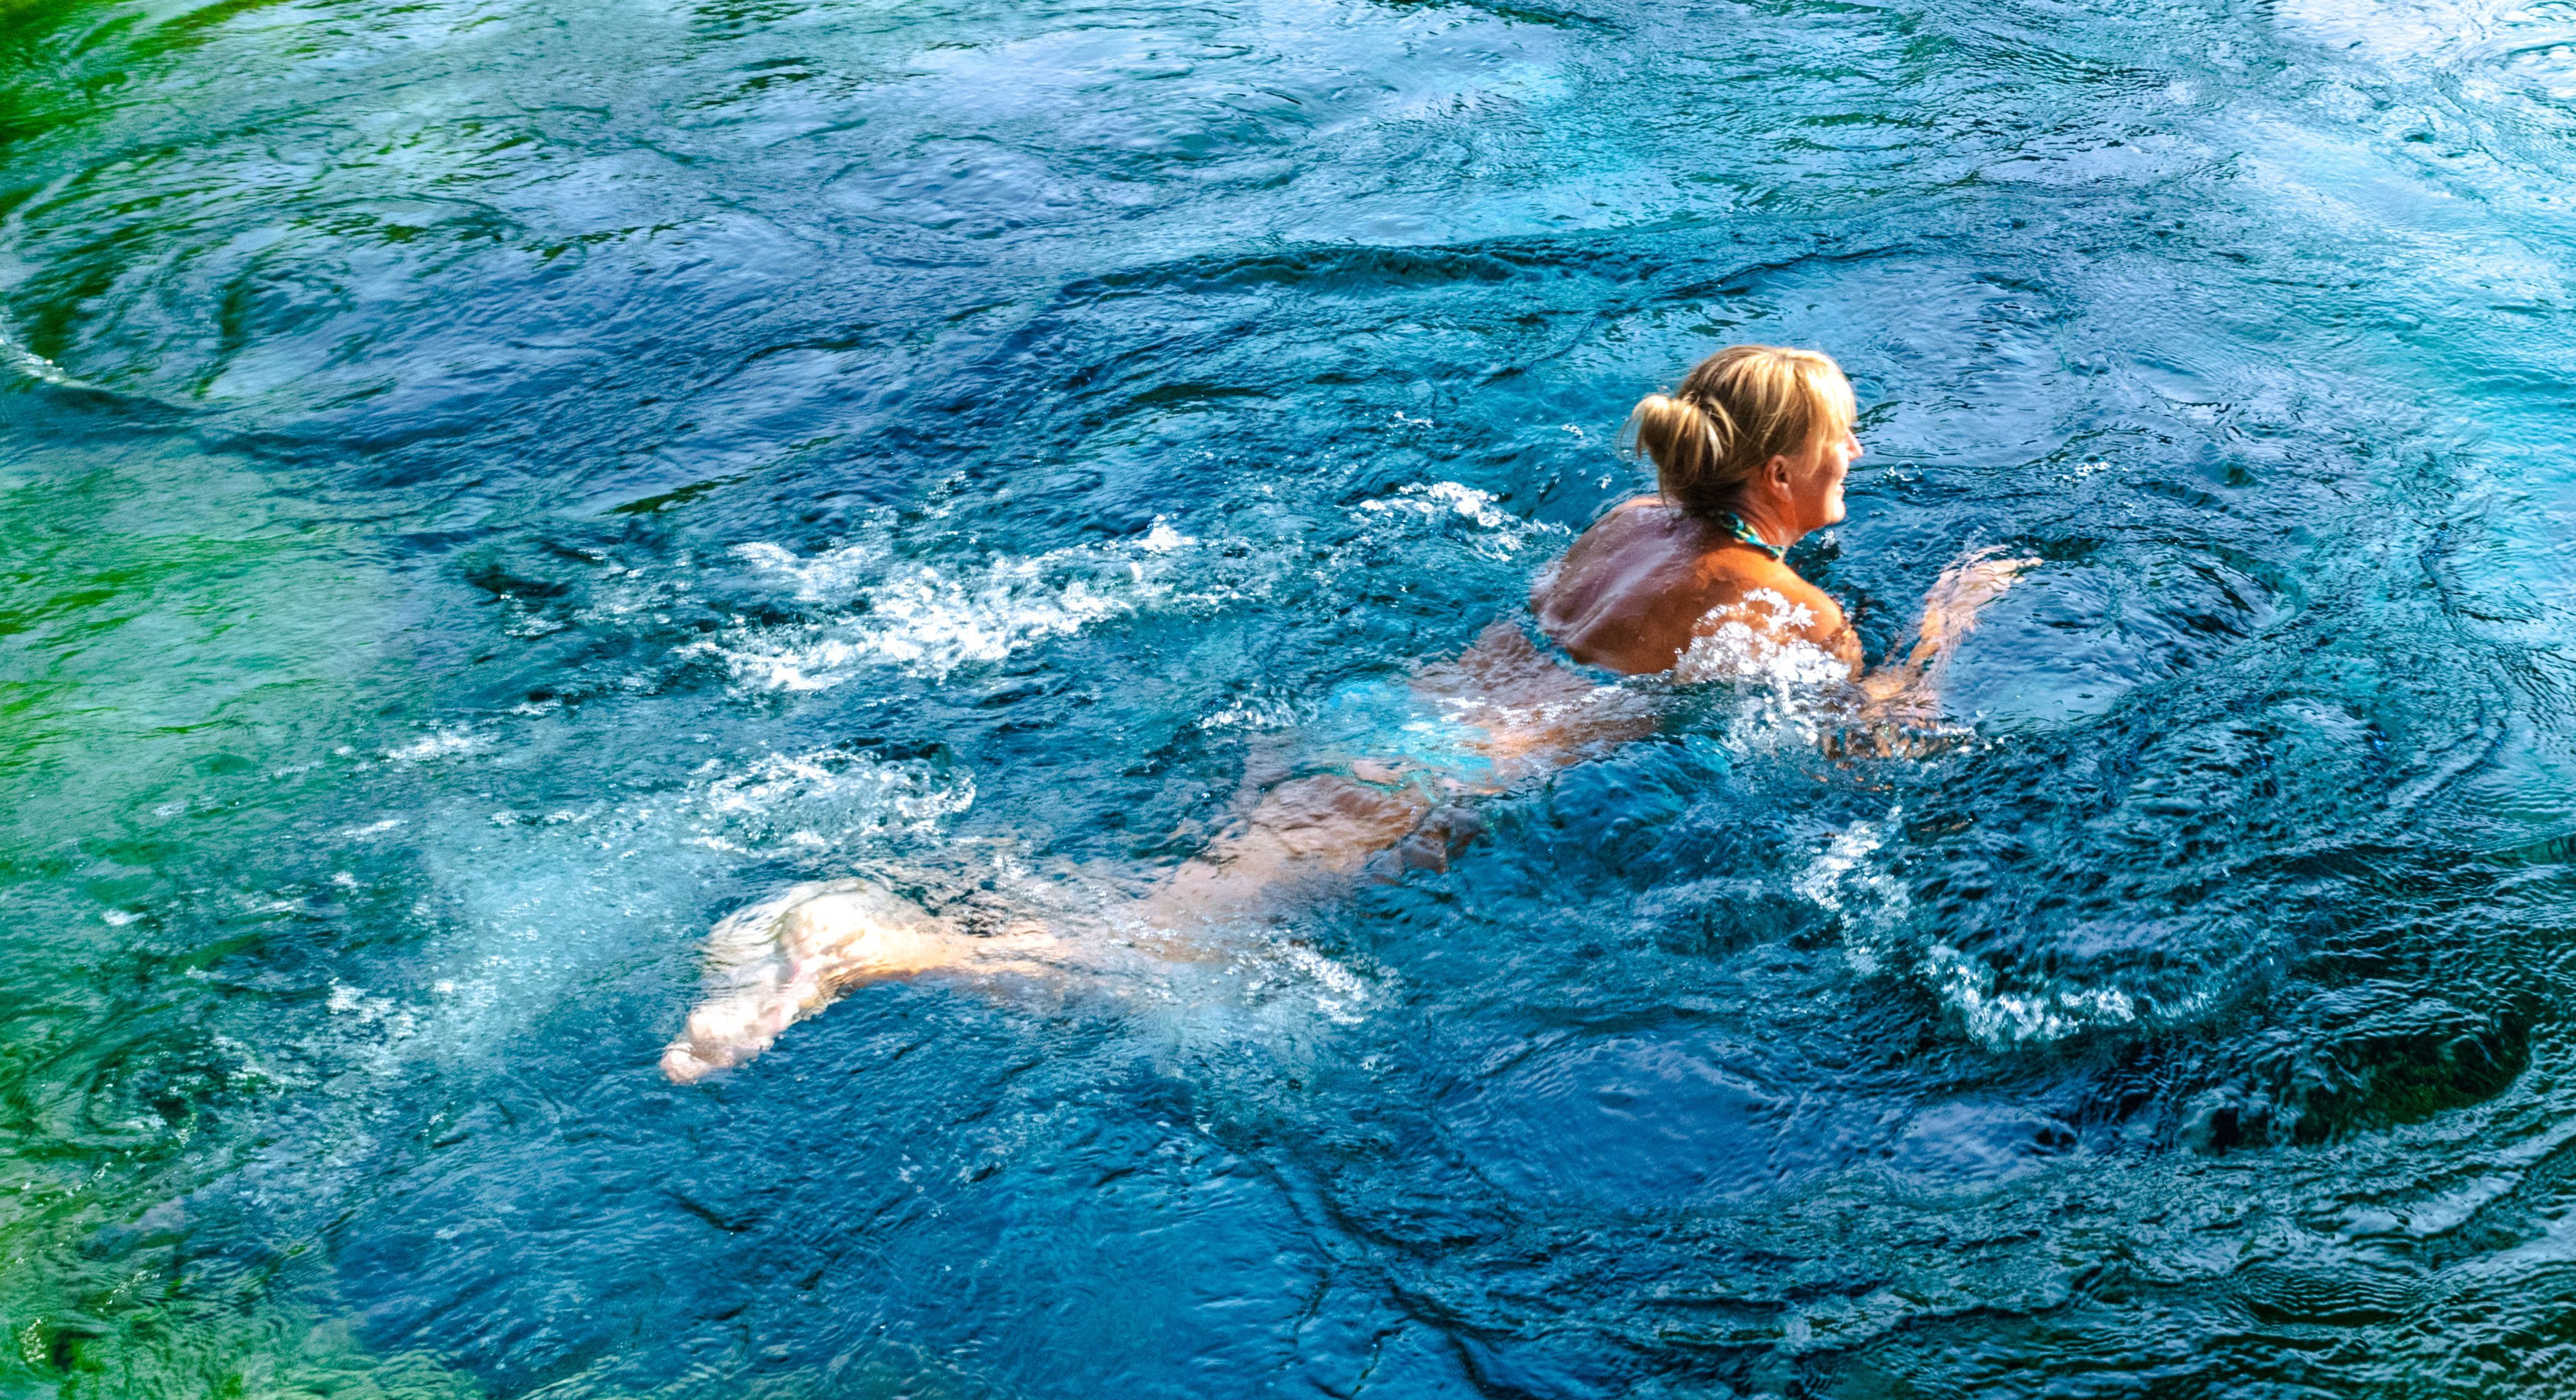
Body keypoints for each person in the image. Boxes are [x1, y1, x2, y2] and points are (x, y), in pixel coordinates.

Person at [658, 345, 2028, 1082]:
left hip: (1381, 713)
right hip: (1447, 774)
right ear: (1786, 469)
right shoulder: (1781, 598)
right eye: (1847, 436)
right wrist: (1942, 630)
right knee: (1168, 957)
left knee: (1178, 889)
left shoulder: (1626, 519)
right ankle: (850, 951)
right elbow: (1864, 750)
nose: (1861, 454)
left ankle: (883, 907)